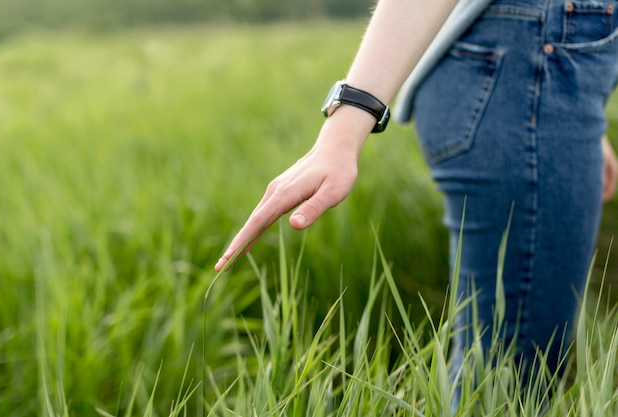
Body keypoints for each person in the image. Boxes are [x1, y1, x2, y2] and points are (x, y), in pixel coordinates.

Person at [215, 0, 618, 403]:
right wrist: (344, 129)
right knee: (511, 383)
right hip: (522, 77)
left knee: (507, 370)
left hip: (535, 83)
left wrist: (570, 111)